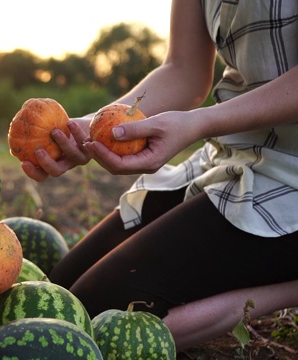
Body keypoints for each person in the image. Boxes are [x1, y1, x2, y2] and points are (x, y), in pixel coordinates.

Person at [21, 0, 298, 351]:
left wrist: (201, 122)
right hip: (234, 156)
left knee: (100, 323)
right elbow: (183, 70)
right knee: (62, 296)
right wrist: (94, 128)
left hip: (293, 174)